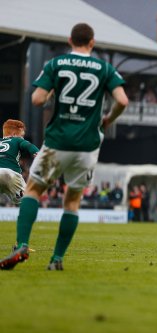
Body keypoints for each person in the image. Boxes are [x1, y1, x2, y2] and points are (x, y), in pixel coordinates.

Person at [0, 23, 128, 271]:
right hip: (88, 145)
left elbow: (37, 99)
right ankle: (57, 259)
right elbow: (122, 100)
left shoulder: (56, 64)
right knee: (72, 202)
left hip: (58, 140)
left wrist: (52, 94)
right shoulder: (104, 68)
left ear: (70, 40)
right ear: (92, 43)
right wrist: (108, 120)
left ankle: (22, 244)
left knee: (34, 191)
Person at [0, 120, 39, 205]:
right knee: (28, 201)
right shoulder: (17, 140)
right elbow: (29, 146)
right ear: (14, 135)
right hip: (10, 173)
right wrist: (38, 154)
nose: (23, 138)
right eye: (22, 136)